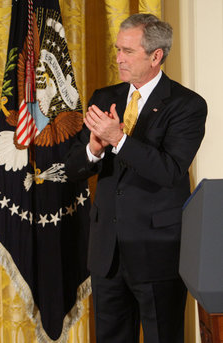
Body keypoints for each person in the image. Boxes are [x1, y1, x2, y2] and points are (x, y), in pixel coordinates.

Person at [65, 13, 207, 343]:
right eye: (118, 49)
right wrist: (94, 148)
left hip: (156, 252)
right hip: (107, 253)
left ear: (156, 56)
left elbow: (169, 170)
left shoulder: (186, 105)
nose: (118, 58)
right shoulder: (105, 97)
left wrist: (120, 139)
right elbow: (73, 168)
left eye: (128, 51)